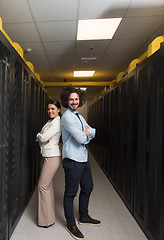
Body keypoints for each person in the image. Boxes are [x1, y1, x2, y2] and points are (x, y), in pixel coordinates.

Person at [60, 85, 101, 240]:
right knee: (70, 193)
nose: (74, 102)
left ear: (80, 100)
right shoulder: (67, 117)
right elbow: (82, 138)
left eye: (76, 99)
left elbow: (93, 131)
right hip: (72, 160)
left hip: (83, 158)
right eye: (71, 99)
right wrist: (85, 133)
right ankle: (71, 224)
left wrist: (86, 132)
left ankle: (83, 216)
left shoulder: (78, 115)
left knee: (88, 187)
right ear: (66, 100)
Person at [36, 99, 62, 228]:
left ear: (58, 110)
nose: (50, 111)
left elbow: (43, 137)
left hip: (52, 157)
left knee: (42, 186)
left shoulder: (57, 123)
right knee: (48, 186)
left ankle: (46, 221)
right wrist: (40, 136)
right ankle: (50, 217)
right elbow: (40, 136)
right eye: (49, 109)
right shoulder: (50, 121)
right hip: (45, 155)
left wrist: (41, 136)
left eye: (53, 109)